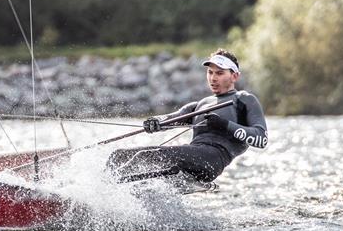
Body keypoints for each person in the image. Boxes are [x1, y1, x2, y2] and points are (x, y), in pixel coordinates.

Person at [106, 49, 268, 183]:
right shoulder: (200, 105)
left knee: (143, 157)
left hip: (213, 158)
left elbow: (261, 138)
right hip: (192, 153)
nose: (213, 78)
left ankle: (109, 186)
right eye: (210, 72)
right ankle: (101, 196)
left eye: (219, 73)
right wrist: (156, 122)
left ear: (234, 76)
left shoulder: (244, 99)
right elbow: (171, 117)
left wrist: (225, 124)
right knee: (118, 156)